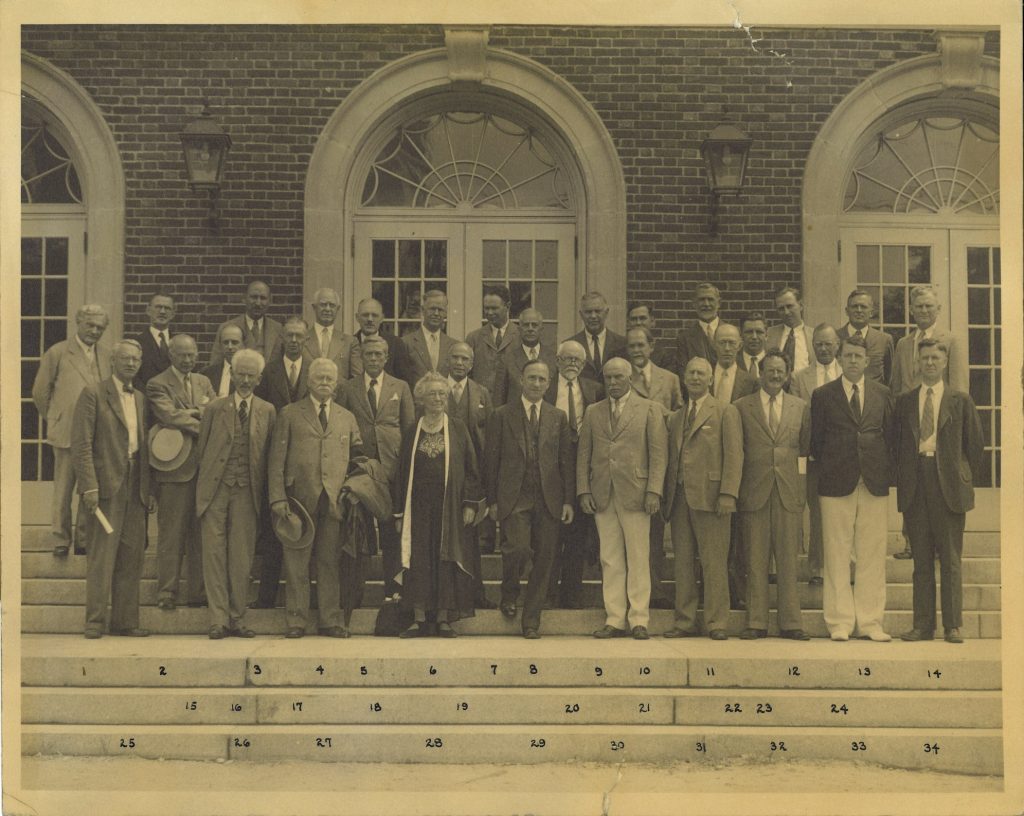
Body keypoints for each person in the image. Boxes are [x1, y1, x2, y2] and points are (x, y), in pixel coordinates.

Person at [268, 358, 365, 638]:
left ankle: (330, 620)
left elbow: (358, 458)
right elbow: (276, 460)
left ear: (336, 384)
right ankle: (296, 621)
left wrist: (352, 490)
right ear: (309, 381)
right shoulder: (289, 414)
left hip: (334, 499)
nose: (324, 383)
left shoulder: (346, 417)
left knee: (329, 561)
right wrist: (277, 498)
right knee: (296, 562)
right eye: (319, 378)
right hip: (298, 500)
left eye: (329, 379)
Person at [895, 339, 984, 644]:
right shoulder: (905, 402)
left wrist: (959, 476)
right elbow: (899, 447)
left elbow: (975, 447)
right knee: (920, 561)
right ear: (917, 363)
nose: (930, 363)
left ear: (945, 363)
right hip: (916, 483)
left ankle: (953, 625)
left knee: (950, 559)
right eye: (925, 358)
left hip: (948, 485)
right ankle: (922, 626)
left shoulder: (960, 400)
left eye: (935, 358)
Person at [811, 335, 895, 642]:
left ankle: (871, 622)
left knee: (872, 553)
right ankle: (839, 622)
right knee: (836, 553)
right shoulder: (823, 395)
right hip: (835, 481)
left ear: (867, 360)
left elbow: (889, 436)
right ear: (840, 358)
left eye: (859, 356)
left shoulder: (883, 394)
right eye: (848, 356)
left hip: (873, 481)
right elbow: (817, 443)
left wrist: (880, 471)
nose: (853, 361)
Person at [577, 357, 667, 640]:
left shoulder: (649, 409)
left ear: (630, 379)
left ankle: (639, 618)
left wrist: (654, 490)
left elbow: (658, 454)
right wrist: (584, 490)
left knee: (639, 556)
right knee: (610, 558)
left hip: (637, 494)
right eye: (608, 378)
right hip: (603, 493)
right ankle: (615, 618)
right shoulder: (593, 411)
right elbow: (584, 455)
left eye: (618, 377)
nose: (613, 383)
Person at [484, 359, 575, 638]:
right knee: (518, 549)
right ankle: (509, 592)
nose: (536, 383)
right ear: (522, 380)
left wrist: (568, 500)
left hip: (549, 497)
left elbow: (565, 462)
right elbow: (492, 459)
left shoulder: (557, 416)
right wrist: (492, 500)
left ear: (548, 384)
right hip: (514, 496)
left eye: (542, 379)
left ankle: (531, 620)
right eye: (531, 378)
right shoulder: (501, 414)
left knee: (546, 558)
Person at [393, 373, 484, 637]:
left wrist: (469, 504)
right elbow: (401, 473)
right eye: (432, 394)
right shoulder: (412, 431)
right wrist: (399, 512)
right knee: (418, 559)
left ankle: (444, 618)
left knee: (445, 558)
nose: (437, 398)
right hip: (418, 508)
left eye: (442, 394)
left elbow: (471, 469)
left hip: (449, 507)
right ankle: (419, 618)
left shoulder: (457, 428)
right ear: (421, 398)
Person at [72, 339, 152, 638]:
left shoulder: (141, 398)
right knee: (102, 555)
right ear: (113, 362)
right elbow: (81, 445)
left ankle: (125, 622)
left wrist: (149, 489)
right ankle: (94, 622)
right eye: (125, 358)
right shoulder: (93, 394)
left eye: (135, 359)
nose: (131, 363)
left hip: (136, 484)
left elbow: (142, 447)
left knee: (132, 555)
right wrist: (88, 487)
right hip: (106, 485)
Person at [195, 349, 276, 639]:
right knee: (214, 555)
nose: (244, 380)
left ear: (259, 379)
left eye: (250, 375)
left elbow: (269, 457)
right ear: (232, 375)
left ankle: (238, 618)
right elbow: (202, 451)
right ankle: (218, 620)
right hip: (214, 490)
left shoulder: (267, 411)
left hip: (247, 492)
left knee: (241, 558)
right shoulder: (216, 408)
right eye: (239, 374)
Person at [662, 357, 742, 641]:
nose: (695, 378)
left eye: (701, 374)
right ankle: (684, 621)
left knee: (714, 561)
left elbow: (734, 456)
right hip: (680, 497)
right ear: (684, 378)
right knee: (683, 562)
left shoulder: (724, 411)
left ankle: (717, 622)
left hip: (712, 498)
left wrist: (728, 494)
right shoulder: (677, 416)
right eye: (691, 373)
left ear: (710, 379)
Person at [734, 351, 811, 641]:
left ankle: (791, 622)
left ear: (788, 373)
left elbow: (804, 452)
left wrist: (800, 492)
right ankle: (756, 622)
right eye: (770, 371)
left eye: (780, 371)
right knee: (755, 559)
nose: (775, 376)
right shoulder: (742, 407)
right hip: (754, 491)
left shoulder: (801, 407)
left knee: (788, 560)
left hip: (788, 491)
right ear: (760, 373)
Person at [889, 285, 969, 561]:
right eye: (918, 306)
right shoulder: (902, 344)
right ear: (911, 309)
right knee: (912, 484)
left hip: (939, 421)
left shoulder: (951, 340)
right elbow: (897, 386)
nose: (923, 310)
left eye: (928, 306)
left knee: (939, 483)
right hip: (910, 423)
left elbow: (958, 389)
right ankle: (912, 542)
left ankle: (938, 543)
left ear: (938, 309)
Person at [336, 336, 415, 600]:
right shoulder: (348, 388)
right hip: (361, 468)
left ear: (386, 357)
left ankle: (393, 590)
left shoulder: (400, 387)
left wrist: (404, 465)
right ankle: (355, 592)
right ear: (361, 357)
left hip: (392, 468)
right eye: (369, 354)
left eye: (379, 354)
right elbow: (342, 426)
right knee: (359, 530)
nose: (373, 359)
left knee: (392, 529)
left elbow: (409, 428)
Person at [32, 304, 110, 556]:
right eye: (90, 325)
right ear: (78, 322)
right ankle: (60, 539)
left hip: (95, 433)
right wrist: (56, 416)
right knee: (64, 487)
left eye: (100, 327)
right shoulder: (58, 352)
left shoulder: (107, 355)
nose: (95, 331)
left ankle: (84, 539)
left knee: (89, 485)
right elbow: (40, 392)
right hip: (66, 431)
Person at [146, 334, 215, 611]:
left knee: (201, 535)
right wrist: (199, 415)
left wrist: (192, 414)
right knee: (171, 535)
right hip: (173, 470)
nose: (188, 360)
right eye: (182, 355)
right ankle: (167, 592)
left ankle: (198, 591)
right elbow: (168, 416)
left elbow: (215, 412)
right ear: (171, 355)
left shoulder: (204, 382)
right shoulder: (157, 384)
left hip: (203, 469)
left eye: (191, 355)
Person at [251, 316, 312, 608]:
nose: (295, 340)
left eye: (300, 336)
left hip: (305, 458)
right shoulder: (269, 371)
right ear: (282, 339)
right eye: (290, 335)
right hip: (274, 453)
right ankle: (267, 596)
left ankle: (303, 597)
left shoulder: (316, 371)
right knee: (275, 527)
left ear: (307, 339)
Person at [626, 325, 682, 610]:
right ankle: (631, 592)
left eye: (641, 345)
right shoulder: (621, 377)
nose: (637, 350)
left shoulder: (670, 380)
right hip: (632, 461)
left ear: (651, 346)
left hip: (660, 461)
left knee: (656, 530)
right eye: (632, 346)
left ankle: (656, 589)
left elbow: (680, 416)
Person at [545, 340, 603, 608]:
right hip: (551, 469)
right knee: (550, 536)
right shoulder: (545, 387)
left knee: (578, 536)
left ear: (583, 365)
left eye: (577, 361)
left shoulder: (593, 390)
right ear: (557, 361)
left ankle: (572, 595)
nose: (571, 364)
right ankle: (546, 593)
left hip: (582, 467)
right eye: (566, 359)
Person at [711, 322, 760, 611]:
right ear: (714, 345)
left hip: (736, 462)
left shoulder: (749, 382)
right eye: (722, 342)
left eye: (732, 343)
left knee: (737, 535)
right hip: (705, 463)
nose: (727, 348)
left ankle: (736, 592)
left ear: (739, 345)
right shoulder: (702, 376)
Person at [790, 323, 842, 587]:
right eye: (819, 344)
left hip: (843, 457)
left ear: (837, 345)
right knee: (817, 513)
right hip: (813, 456)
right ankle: (817, 569)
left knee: (842, 514)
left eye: (828, 344)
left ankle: (843, 567)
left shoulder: (846, 373)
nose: (823, 348)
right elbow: (798, 415)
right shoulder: (800, 378)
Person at [445, 342, 495, 607]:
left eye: (465, 359)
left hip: (472, 474)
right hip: (442, 471)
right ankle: (448, 594)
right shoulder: (437, 390)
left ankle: (475, 593)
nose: (460, 363)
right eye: (455, 357)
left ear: (472, 364)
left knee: (470, 535)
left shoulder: (481, 393)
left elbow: (488, 434)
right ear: (447, 360)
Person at [209, 280, 284, 369]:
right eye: (254, 297)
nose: (258, 303)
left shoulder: (278, 329)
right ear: (244, 298)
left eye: (263, 298)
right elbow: (215, 366)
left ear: (269, 301)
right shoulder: (227, 328)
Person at [492, 307, 556, 407]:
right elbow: (499, 398)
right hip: (515, 418)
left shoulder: (553, 358)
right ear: (519, 329)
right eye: (526, 325)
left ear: (541, 329)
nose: (530, 329)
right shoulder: (507, 359)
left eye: (534, 325)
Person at [465, 284, 519, 398]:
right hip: (481, 404)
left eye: (494, 308)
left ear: (507, 306)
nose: (489, 312)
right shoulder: (473, 338)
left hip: (512, 405)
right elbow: (466, 375)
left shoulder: (520, 337)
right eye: (486, 308)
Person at [395, 289, 456, 385]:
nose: (436, 313)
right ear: (423, 310)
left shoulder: (453, 345)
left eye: (440, 310)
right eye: (432, 309)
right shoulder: (406, 343)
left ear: (445, 313)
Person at [837, 289, 894, 385]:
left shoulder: (884, 340)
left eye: (863, 307)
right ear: (847, 311)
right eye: (855, 306)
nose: (859, 310)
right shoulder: (836, 338)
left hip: (874, 397)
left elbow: (890, 377)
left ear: (871, 312)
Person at [568, 291, 627, 383]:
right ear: (581, 314)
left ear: (606, 312)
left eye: (598, 311)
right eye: (588, 312)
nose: (593, 316)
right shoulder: (570, 345)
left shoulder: (622, 343)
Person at [304, 287, 360, 381]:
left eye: (332, 305)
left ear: (338, 309)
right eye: (323, 304)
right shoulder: (302, 339)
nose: (327, 309)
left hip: (339, 394)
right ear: (314, 307)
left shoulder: (350, 342)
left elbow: (357, 379)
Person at [674, 282, 723, 379]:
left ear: (719, 303)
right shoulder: (684, 339)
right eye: (701, 300)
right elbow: (684, 374)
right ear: (694, 304)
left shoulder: (732, 333)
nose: (706, 304)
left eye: (710, 299)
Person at [767, 287, 814, 376]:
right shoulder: (769, 334)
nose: (786, 312)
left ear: (801, 305)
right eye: (781, 308)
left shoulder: (814, 335)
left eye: (789, 306)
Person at [134, 292, 175, 387]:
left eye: (167, 308)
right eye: (158, 307)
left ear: (173, 314)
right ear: (148, 310)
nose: (162, 312)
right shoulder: (137, 343)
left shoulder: (180, 342)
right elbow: (133, 376)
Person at [352, 297, 400, 375]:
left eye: (374, 315)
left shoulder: (396, 344)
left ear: (382, 318)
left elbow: (403, 382)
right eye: (365, 315)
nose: (370, 319)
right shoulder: (350, 343)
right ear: (357, 317)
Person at [626, 302, 677, 371]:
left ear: (652, 321)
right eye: (634, 319)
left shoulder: (665, 356)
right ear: (628, 323)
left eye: (642, 318)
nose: (638, 322)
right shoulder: (619, 354)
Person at [200, 323, 244, 399]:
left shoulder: (252, 373)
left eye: (234, 342)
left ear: (243, 344)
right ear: (220, 345)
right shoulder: (207, 373)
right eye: (226, 342)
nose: (230, 347)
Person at [737, 312, 768, 379]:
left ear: (766, 335)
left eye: (759, 332)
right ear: (741, 335)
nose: (754, 337)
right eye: (749, 332)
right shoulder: (733, 361)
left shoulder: (774, 361)